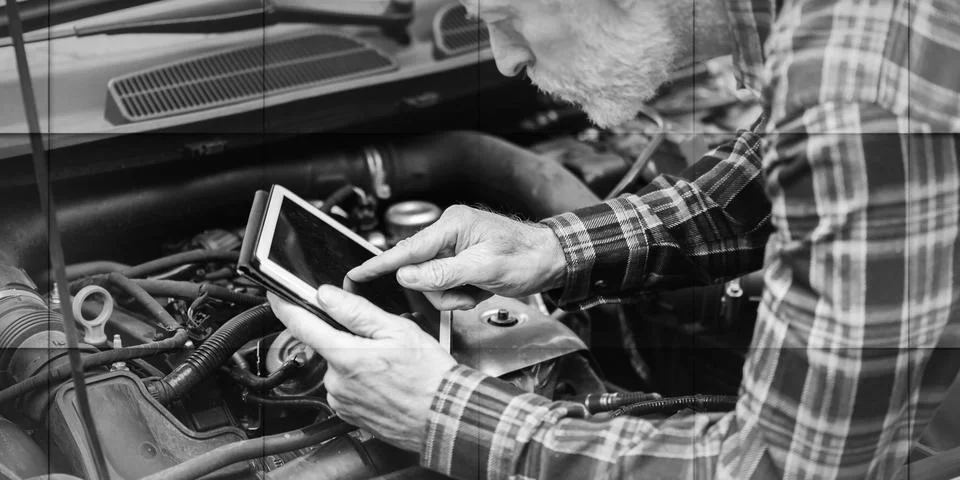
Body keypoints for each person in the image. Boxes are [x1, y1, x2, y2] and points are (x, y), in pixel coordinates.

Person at [267, 0, 960, 477]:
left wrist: (440, 413)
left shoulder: (854, 82)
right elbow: (765, 177)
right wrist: (554, 248)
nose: (505, 61)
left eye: (504, 19)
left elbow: (789, 468)